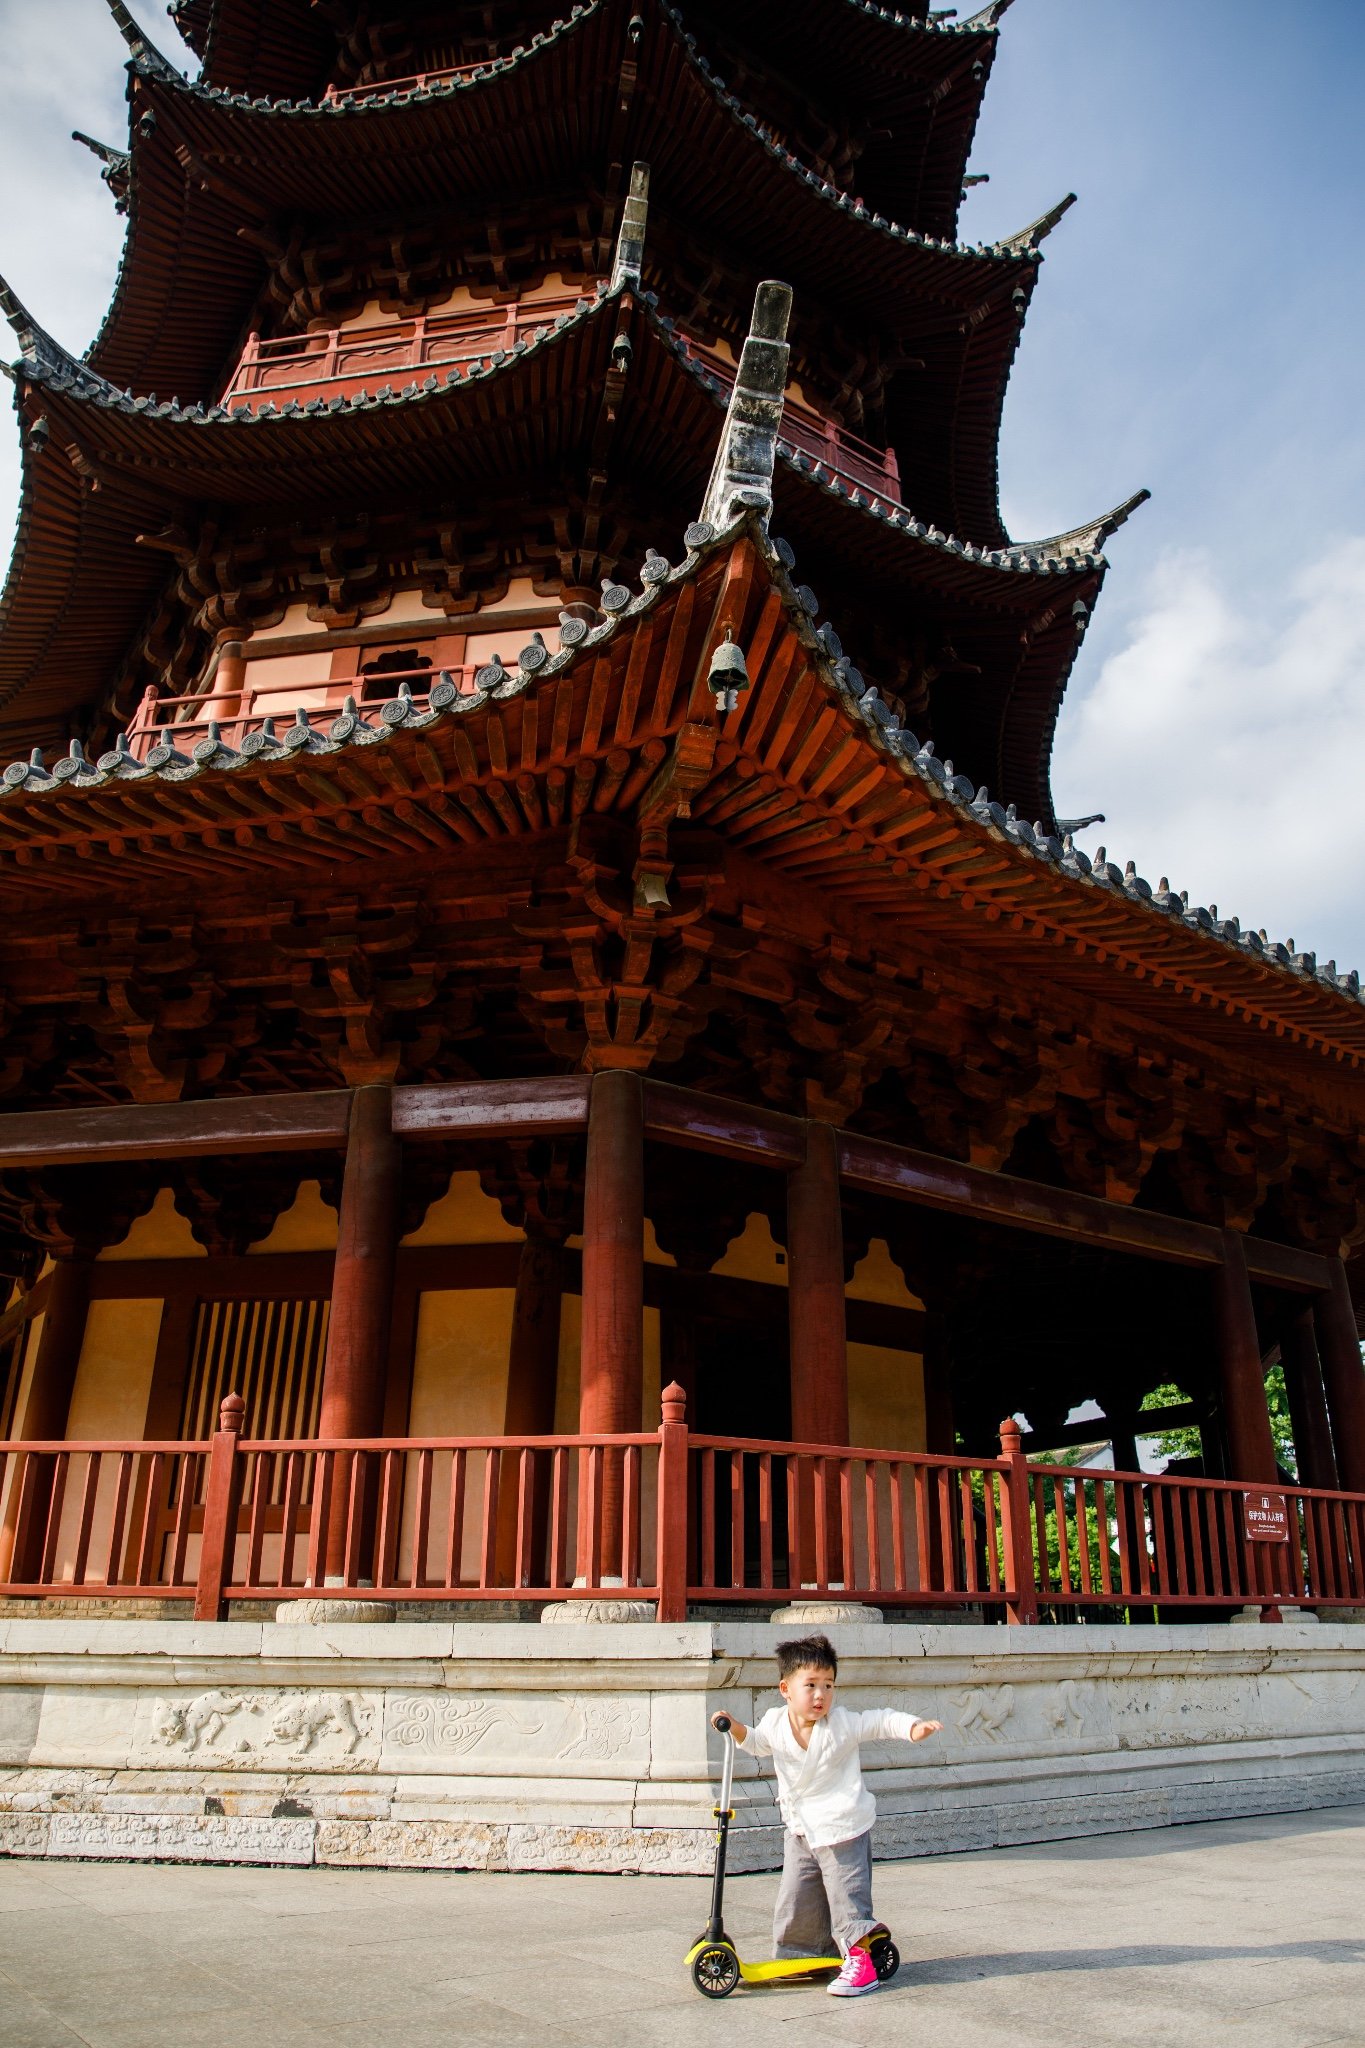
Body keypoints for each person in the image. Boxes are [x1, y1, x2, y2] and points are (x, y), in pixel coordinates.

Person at [710, 1631, 941, 1998]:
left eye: (829, 1685)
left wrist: (912, 1727)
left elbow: (879, 1721)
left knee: (847, 1897)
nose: (821, 1695)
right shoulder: (774, 1722)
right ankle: (804, 1955)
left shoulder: (842, 1724)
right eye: (811, 1685)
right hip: (801, 1828)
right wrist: (734, 1726)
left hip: (842, 1828)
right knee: (797, 1897)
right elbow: (756, 1742)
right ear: (786, 1689)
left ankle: (861, 1964)